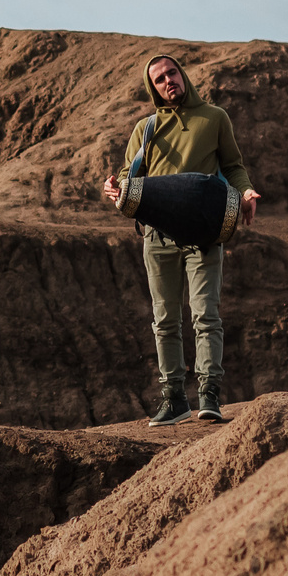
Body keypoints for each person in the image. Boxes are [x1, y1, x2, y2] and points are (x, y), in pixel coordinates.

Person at [98, 54, 260, 425]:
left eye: (172, 72)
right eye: (159, 78)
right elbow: (129, 175)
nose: (168, 80)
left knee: (205, 314)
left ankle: (209, 395)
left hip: (203, 232)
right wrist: (114, 186)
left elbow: (233, 166)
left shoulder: (214, 117)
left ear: (182, 75)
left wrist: (246, 192)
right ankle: (173, 399)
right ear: (152, 87)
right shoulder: (146, 128)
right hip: (157, 236)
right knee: (165, 319)